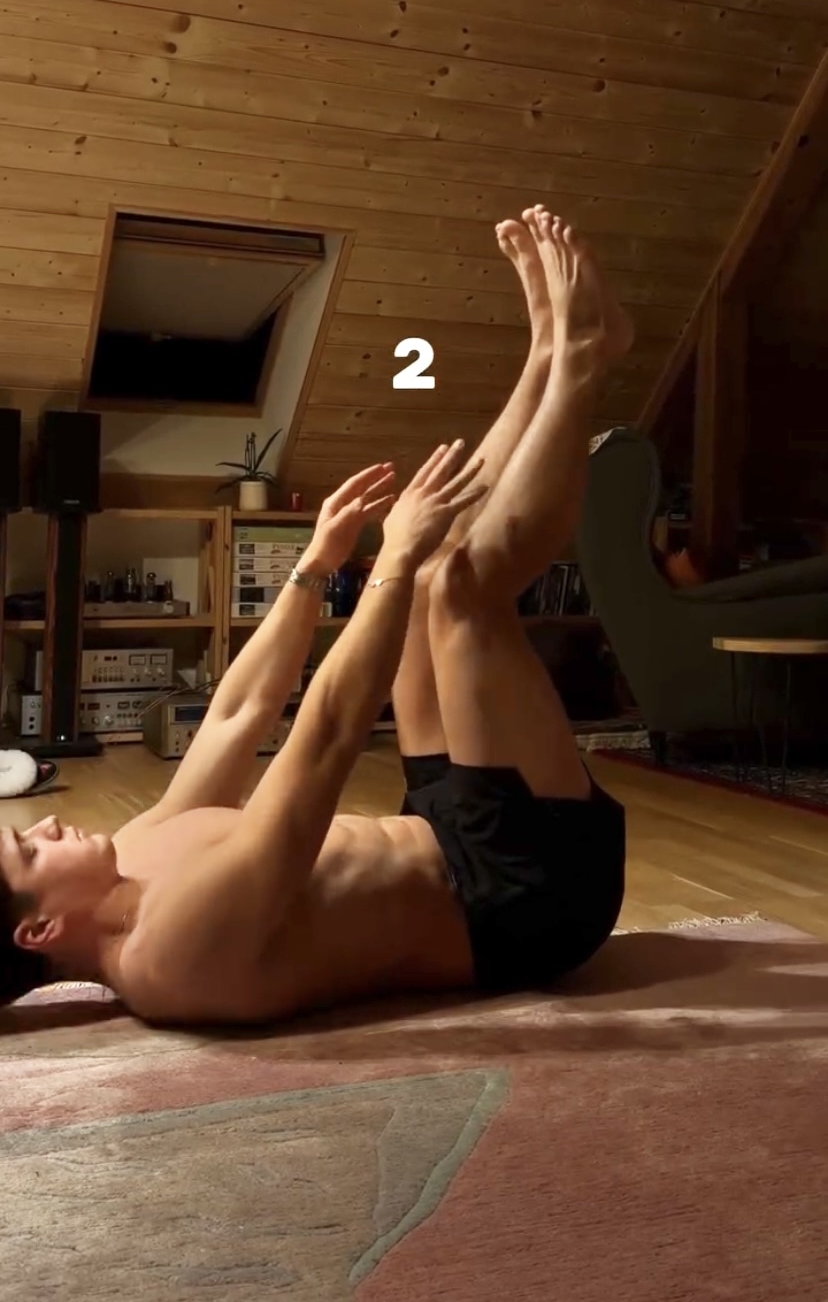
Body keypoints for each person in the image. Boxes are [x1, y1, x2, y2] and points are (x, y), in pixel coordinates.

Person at [0, 206, 633, 1025]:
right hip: (529, 896)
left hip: (447, 831)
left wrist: (312, 569)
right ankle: (583, 360)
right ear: (40, 929)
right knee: (458, 585)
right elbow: (328, 734)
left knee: (430, 566)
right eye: (28, 849)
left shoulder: (138, 854)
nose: (47, 822)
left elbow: (236, 713)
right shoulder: (175, 951)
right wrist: (389, 561)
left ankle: (548, 354)